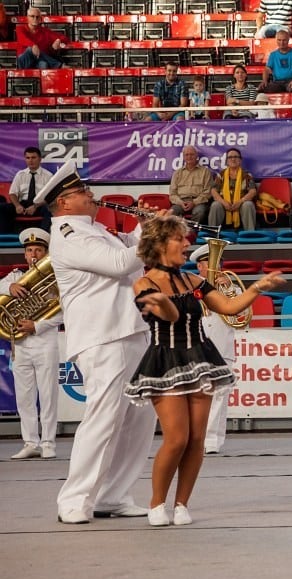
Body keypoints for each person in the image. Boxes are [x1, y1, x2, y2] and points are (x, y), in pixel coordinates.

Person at [124, 217, 283, 526]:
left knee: (197, 439)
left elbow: (228, 306)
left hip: (201, 358)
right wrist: (161, 302)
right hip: (165, 361)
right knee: (177, 438)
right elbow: (168, 316)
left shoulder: (193, 283)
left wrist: (258, 287)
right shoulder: (144, 284)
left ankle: (182, 504)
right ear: (159, 245)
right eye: (179, 239)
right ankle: (157, 503)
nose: (187, 243)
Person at [43, 161, 155, 524]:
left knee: (139, 419)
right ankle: (74, 499)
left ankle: (113, 494)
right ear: (64, 203)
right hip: (104, 335)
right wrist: (148, 235)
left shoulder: (93, 229)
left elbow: (132, 254)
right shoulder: (68, 233)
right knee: (104, 418)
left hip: (129, 328)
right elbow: (123, 263)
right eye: (81, 192)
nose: (91, 195)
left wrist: (146, 226)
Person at [2, 228, 60, 460]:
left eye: (38, 250)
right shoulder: (15, 277)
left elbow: (64, 311)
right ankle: (30, 442)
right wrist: (8, 288)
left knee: (48, 394)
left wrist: (37, 326)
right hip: (20, 345)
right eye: (29, 250)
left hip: (44, 341)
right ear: (25, 255)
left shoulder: (56, 279)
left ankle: (48, 442)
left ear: (46, 254)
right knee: (23, 396)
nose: (33, 254)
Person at [186, 245, 238, 456]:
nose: (216, 266)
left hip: (222, 344)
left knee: (219, 394)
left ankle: (213, 440)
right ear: (199, 266)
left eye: (217, 262)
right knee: (196, 393)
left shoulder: (231, 286)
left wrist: (230, 291)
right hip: (196, 345)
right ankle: (194, 438)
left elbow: (240, 317)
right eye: (210, 262)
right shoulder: (189, 286)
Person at [0, 146, 53, 233]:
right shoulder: (20, 174)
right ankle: (5, 236)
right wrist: (17, 205)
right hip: (23, 204)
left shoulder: (48, 175)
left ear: (40, 159)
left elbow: (51, 196)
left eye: (33, 157)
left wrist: (35, 206)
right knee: (2, 208)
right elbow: (12, 193)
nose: (30, 160)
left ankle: (42, 236)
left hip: (40, 205)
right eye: (28, 158)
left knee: (50, 209)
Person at [209, 148, 258, 231]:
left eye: (236, 157)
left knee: (248, 205)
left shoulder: (246, 175)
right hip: (225, 204)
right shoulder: (221, 174)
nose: (233, 159)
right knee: (215, 205)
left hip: (241, 204)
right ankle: (212, 233)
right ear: (227, 161)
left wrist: (240, 201)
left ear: (240, 160)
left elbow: (252, 191)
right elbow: (213, 191)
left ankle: (250, 233)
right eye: (230, 157)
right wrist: (223, 202)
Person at [169, 146, 214, 224]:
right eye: (186, 155)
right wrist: (180, 202)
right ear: (183, 157)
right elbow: (172, 194)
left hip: (198, 202)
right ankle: (178, 234)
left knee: (200, 212)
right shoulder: (177, 173)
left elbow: (208, 192)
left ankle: (192, 234)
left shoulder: (205, 172)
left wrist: (194, 202)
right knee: (171, 213)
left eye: (192, 154)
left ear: (196, 156)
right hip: (181, 202)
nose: (189, 157)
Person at [259, 29, 292, 93]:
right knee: (263, 89)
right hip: (276, 82)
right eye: (279, 40)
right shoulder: (273, 55)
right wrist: (264, 80)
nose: (282, 42)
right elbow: (267, 69)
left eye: (284, 40)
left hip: (290, 81)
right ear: (276, 40)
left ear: (288, 40)